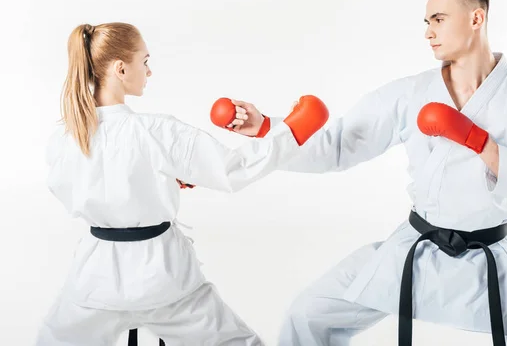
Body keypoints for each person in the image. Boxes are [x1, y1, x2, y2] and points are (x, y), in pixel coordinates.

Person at [215, 0, 507, 346]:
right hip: (418, 250)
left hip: (493, 259)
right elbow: (337, 146)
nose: (428, 32)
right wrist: (268, 129)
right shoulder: (411, 93)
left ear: (476, 18)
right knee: (308, 314)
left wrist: (476, 140)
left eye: (439, 19)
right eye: (427, 21)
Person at [36, 22, 329, 346]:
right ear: (121, 69)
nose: (149, 72)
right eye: (144, 62)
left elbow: (66, 190)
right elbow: (233, 171)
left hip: (94, 281)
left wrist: (146, 184)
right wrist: (292, 132)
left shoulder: (65, 138)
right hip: (163, 280)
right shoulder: (157, 132)